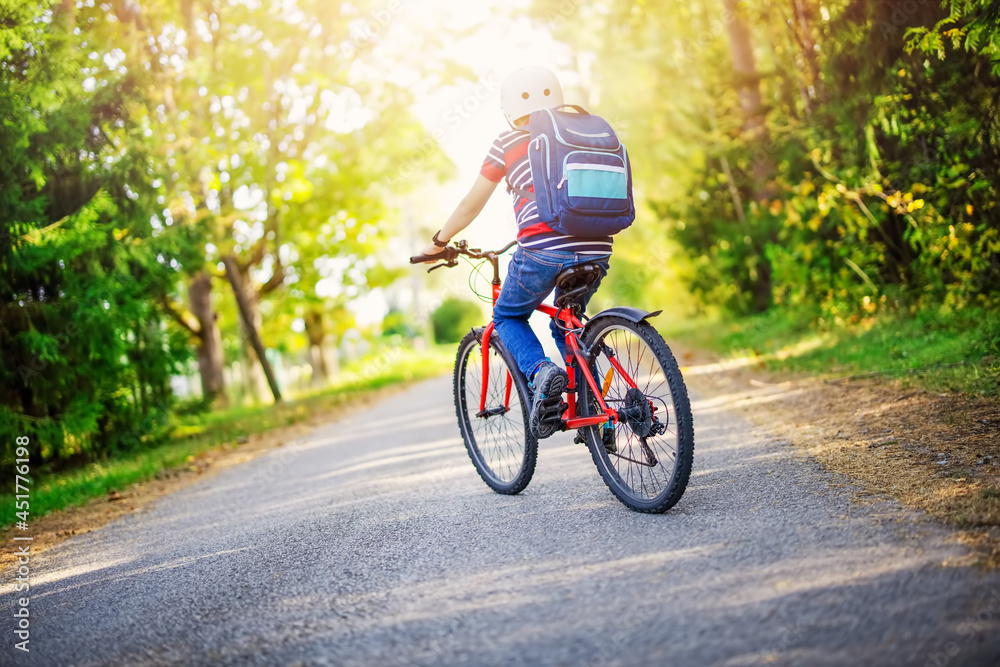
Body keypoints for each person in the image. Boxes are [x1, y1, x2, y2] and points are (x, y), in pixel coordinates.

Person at [417, 66, 613, 439]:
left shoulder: (507, 142)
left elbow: (470, 205)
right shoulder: (583, 135)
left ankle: (542, 373)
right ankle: (595, 410)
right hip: (598, 247)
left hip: (541, 249)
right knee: (566, 323)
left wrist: (438, 243)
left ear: (509, 108)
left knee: (507, 316)